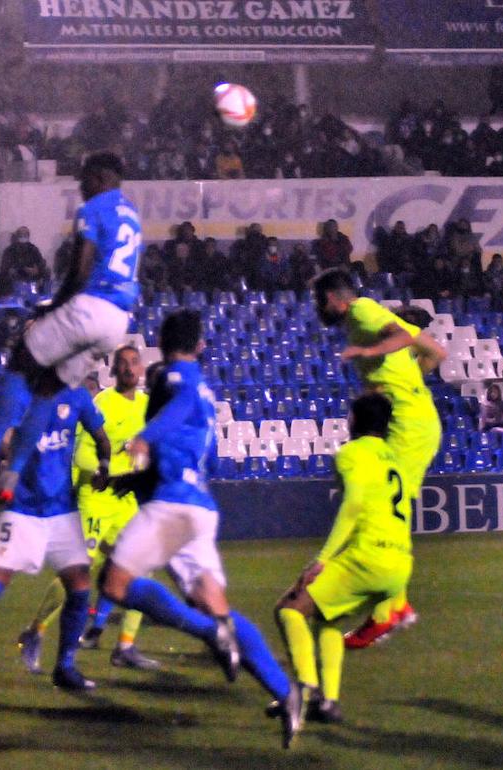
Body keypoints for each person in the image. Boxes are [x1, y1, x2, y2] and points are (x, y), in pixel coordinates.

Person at [99, 310, 302, 748]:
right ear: (202, 344)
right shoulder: (205, 387)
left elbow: (179, 407)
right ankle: (287, 694)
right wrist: (133, 479)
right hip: (197, 506)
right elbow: (194, 439)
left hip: (171, 507)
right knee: (217, 606)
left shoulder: (175, 378)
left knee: (114, 583)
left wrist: (145, 437)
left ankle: (212, 636)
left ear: (161, 341)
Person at [0, 152, 142, 480]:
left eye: (83, 179)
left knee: (22, 360)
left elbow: (79, 272)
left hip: (91, 307)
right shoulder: (131, 215)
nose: (81, 186)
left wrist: (52, 305)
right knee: (48, 389)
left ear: (97, 177)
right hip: (118, 321)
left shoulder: (93, 209)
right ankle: (13, 475)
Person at [0, 369, 111, 692]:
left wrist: (105, 466)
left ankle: (65, 667)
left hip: (61, 510)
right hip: (23, 508)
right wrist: (5, 452)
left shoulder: (77, 395)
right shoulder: (21, 394)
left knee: (79, 589)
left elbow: (102, 438)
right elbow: (4, 440)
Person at [312, 269, 446, 649]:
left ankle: (389, 612)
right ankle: (395, 605)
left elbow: (401, 337)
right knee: (389, 506)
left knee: (386, 507)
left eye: (320, 301)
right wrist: (408, 383)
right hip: (413, 419)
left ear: (335, 298)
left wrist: (369, 353)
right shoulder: (371, 317)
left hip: (407, 425)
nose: (318, 309)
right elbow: (437, 352)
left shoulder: (362, 312)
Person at [274, 394, 414, 727]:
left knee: (289, 609)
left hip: (368, 558)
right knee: (328, 619)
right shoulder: (396, 460)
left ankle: (304, 690)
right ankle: (329, 703)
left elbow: (352, 503)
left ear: (354, 421)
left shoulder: (351, 454)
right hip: (399, 565)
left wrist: (322, 559)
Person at [16, 344, 159, 671]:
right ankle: (34, 632)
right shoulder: (101, 404)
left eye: (134, 363)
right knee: (76, 574)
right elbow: (80, 453)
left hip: (124, 501)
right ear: (113, 371)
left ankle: (125, 647)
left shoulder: (148, 406)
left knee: (143, 564)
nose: (128, 369)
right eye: (122, 364)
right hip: (96, 498)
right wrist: (103, 469)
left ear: (140, 369)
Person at [0, 227, 50, 297]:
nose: (23, 237)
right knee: (4, 276)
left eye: (25, 235)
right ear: (17, 236)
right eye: (21, 235)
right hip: (16, 274)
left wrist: (37, 269)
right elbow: (5, 266)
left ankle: (44, 296)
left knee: (47, 271)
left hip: (31, 275)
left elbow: (40, 261)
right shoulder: (10, 250)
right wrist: (23, 268)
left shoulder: (33, 248)